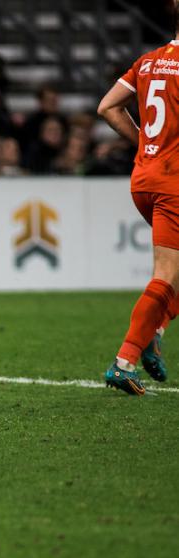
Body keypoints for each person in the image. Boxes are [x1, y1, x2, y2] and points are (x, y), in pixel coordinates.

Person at [99, 1, 179, 394]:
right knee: (166, 273)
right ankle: (124, 361)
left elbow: (107, 107)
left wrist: (146, 145)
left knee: (174, 269)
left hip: (145, 178)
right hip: (174, 183)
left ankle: (153, 331)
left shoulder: (148, 62)